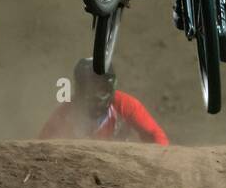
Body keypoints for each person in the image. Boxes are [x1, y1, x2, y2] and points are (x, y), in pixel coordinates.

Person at [39, 58, 168, 144]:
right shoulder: (66, 113)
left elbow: (155, 135)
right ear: (80, 88)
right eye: (91, 88)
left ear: (112, 87)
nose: (97, 95)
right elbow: (42, 145)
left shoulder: (125, 104)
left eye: (103, 88)